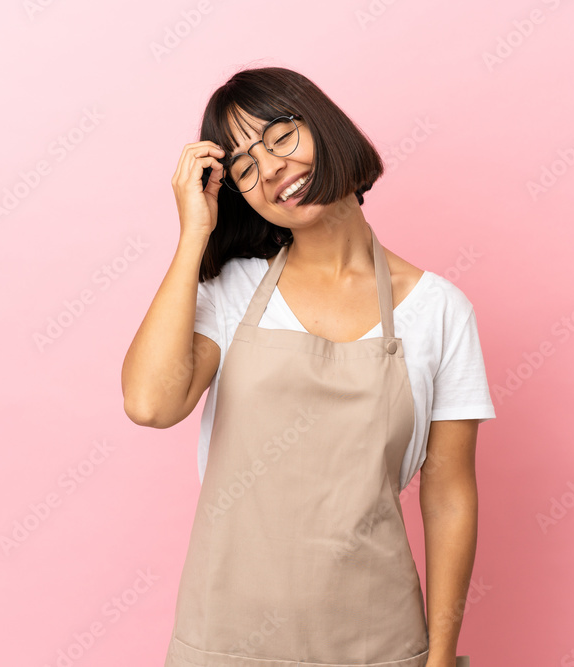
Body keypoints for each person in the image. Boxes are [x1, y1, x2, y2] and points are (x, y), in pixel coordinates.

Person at [121, 66, 494, 667]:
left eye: (281, 137)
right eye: (244, 166)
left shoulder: (439, 310)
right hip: (224, 639)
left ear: (324, 124)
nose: (269, 168)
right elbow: (149, 404)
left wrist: (442, 656)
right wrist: (194, 235)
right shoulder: (232, 291)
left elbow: (449, 494)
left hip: (377, 641)